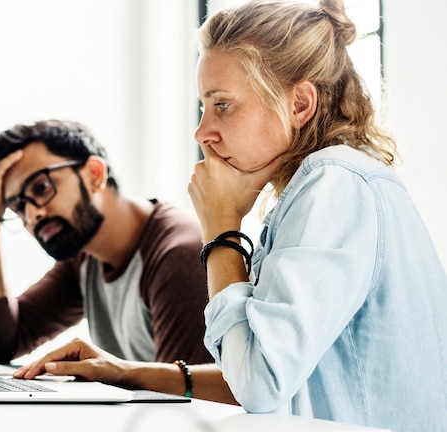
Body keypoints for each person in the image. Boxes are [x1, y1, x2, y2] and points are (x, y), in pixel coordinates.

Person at [186, 0, 447, 430]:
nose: (202, 132)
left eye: (223, 105)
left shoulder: (335, 183)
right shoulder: (328, 185)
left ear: (299, 104)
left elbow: (257, 383)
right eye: (203, 106)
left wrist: (221, 230)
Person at [0, 119, 228, 400]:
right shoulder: (85, 258)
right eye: (18, 207)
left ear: (95, 173)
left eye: (42, 187)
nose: (32, 215)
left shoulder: (179, 254)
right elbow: (2, 343)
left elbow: (180, 407)